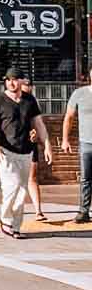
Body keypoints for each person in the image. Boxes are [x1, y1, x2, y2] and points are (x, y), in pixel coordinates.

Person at [0, 66, 52, 238]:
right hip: (6, 151)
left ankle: (15, 225)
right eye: (8, 80)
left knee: (22, 188)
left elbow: (39, 124)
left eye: (14, 79)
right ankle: (6, 220)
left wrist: (47, 144)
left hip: (26, 151)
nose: (11, 83)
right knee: (12, 185)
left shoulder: (29, 100)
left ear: (21, 81)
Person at [61, 71, 92, 224]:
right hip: (86, 142)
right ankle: (83, 211)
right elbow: (69, 117)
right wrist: (65, 139)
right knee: (86, 178)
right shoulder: (79, 93)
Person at [19, 77, 49, 224]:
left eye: (30, 84)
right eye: (25, 84)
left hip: (29, 143)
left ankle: (38, 210)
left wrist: (36, 134)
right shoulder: (5, 99)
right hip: (12, 144)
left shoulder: (31, 101)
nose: (28, 87)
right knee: (14, 179)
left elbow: (36, 121)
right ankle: (13, 209)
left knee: (32, 177)